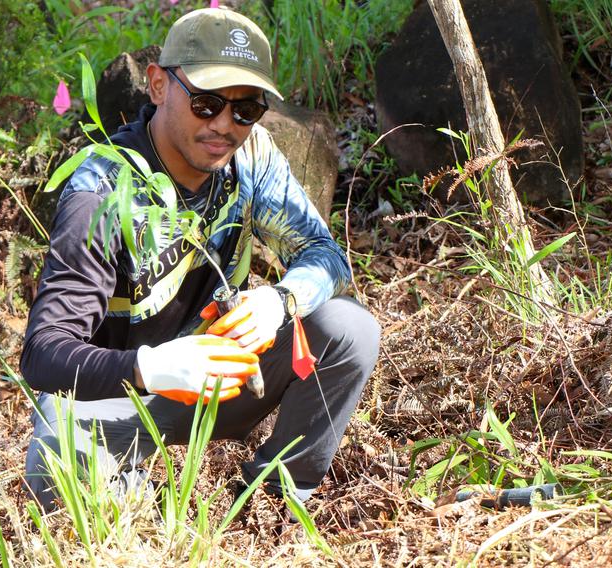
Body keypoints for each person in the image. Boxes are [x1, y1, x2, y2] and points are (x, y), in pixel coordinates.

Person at [21, 7, 380, 511]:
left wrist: (280, 300)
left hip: (222, 378)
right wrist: (151, 367)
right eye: (207, 103)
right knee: (60, 479)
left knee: (348, 327)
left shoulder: (252, 158)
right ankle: (136, 500)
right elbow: (43, 354)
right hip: (118, 392)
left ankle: (275, 504)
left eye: (246, 110)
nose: (225, 126)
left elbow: (326, 256)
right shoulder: (101, 190)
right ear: (158, 85)